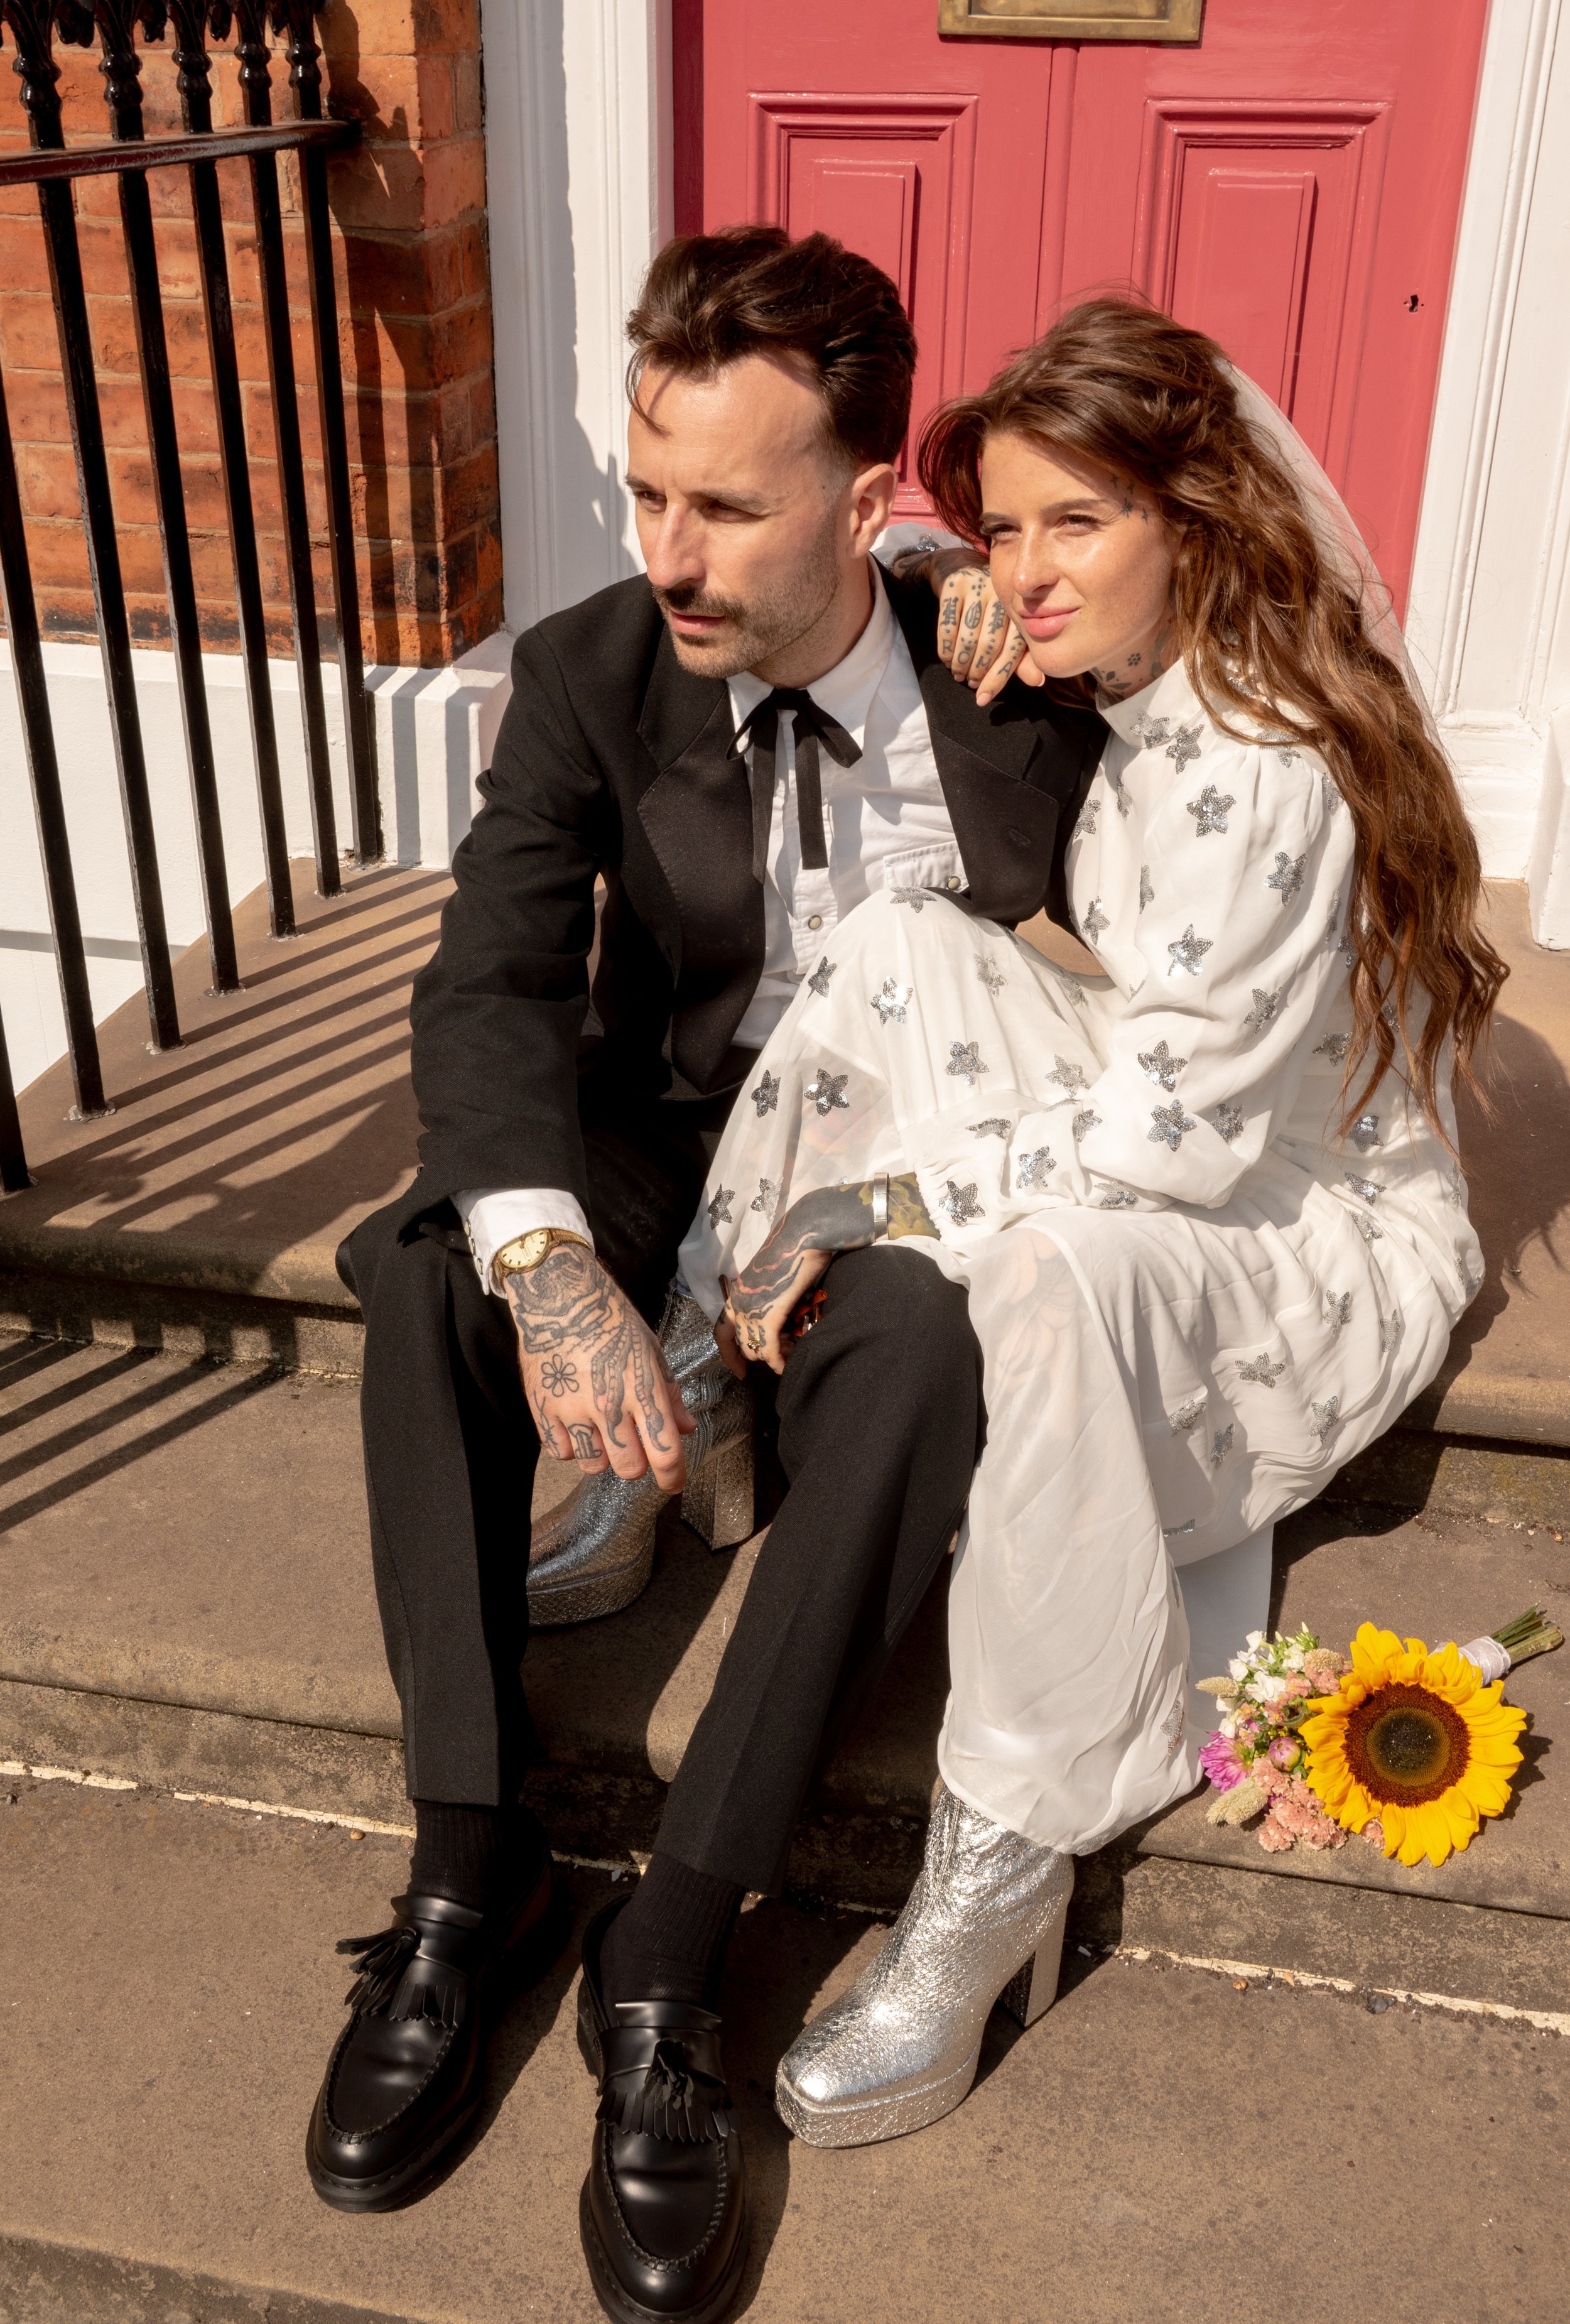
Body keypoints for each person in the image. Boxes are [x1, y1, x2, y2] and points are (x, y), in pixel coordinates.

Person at [304, 226, 1105, 2324]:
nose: (669, 549)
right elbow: (487, 975)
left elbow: (1158, 956)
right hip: (669, 1144)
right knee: (418, 1268)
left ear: (865, 500)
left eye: (727, 506)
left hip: (905, 1178)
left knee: (927, 1339)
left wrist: (1046, 638)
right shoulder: (589, 673)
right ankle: (465, 1869)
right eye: (645, 488)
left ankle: (670, 1953)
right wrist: (550, 1263)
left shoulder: (1006, 671)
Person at [678, 295, 1505, 2151]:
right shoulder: (1149, 676)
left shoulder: (1262, 766)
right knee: (898, 933)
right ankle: (696, 1336)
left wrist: (881, 1197)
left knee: (1046, 1264)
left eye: (1076, 524)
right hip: (1171, 1118)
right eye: (1006, 527)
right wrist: (923, 555)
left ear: (1192, 525)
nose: (1023, 572)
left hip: (1298, 1236)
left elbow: (1170, 1148)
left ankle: (1001, 1854)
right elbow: (889, 548)